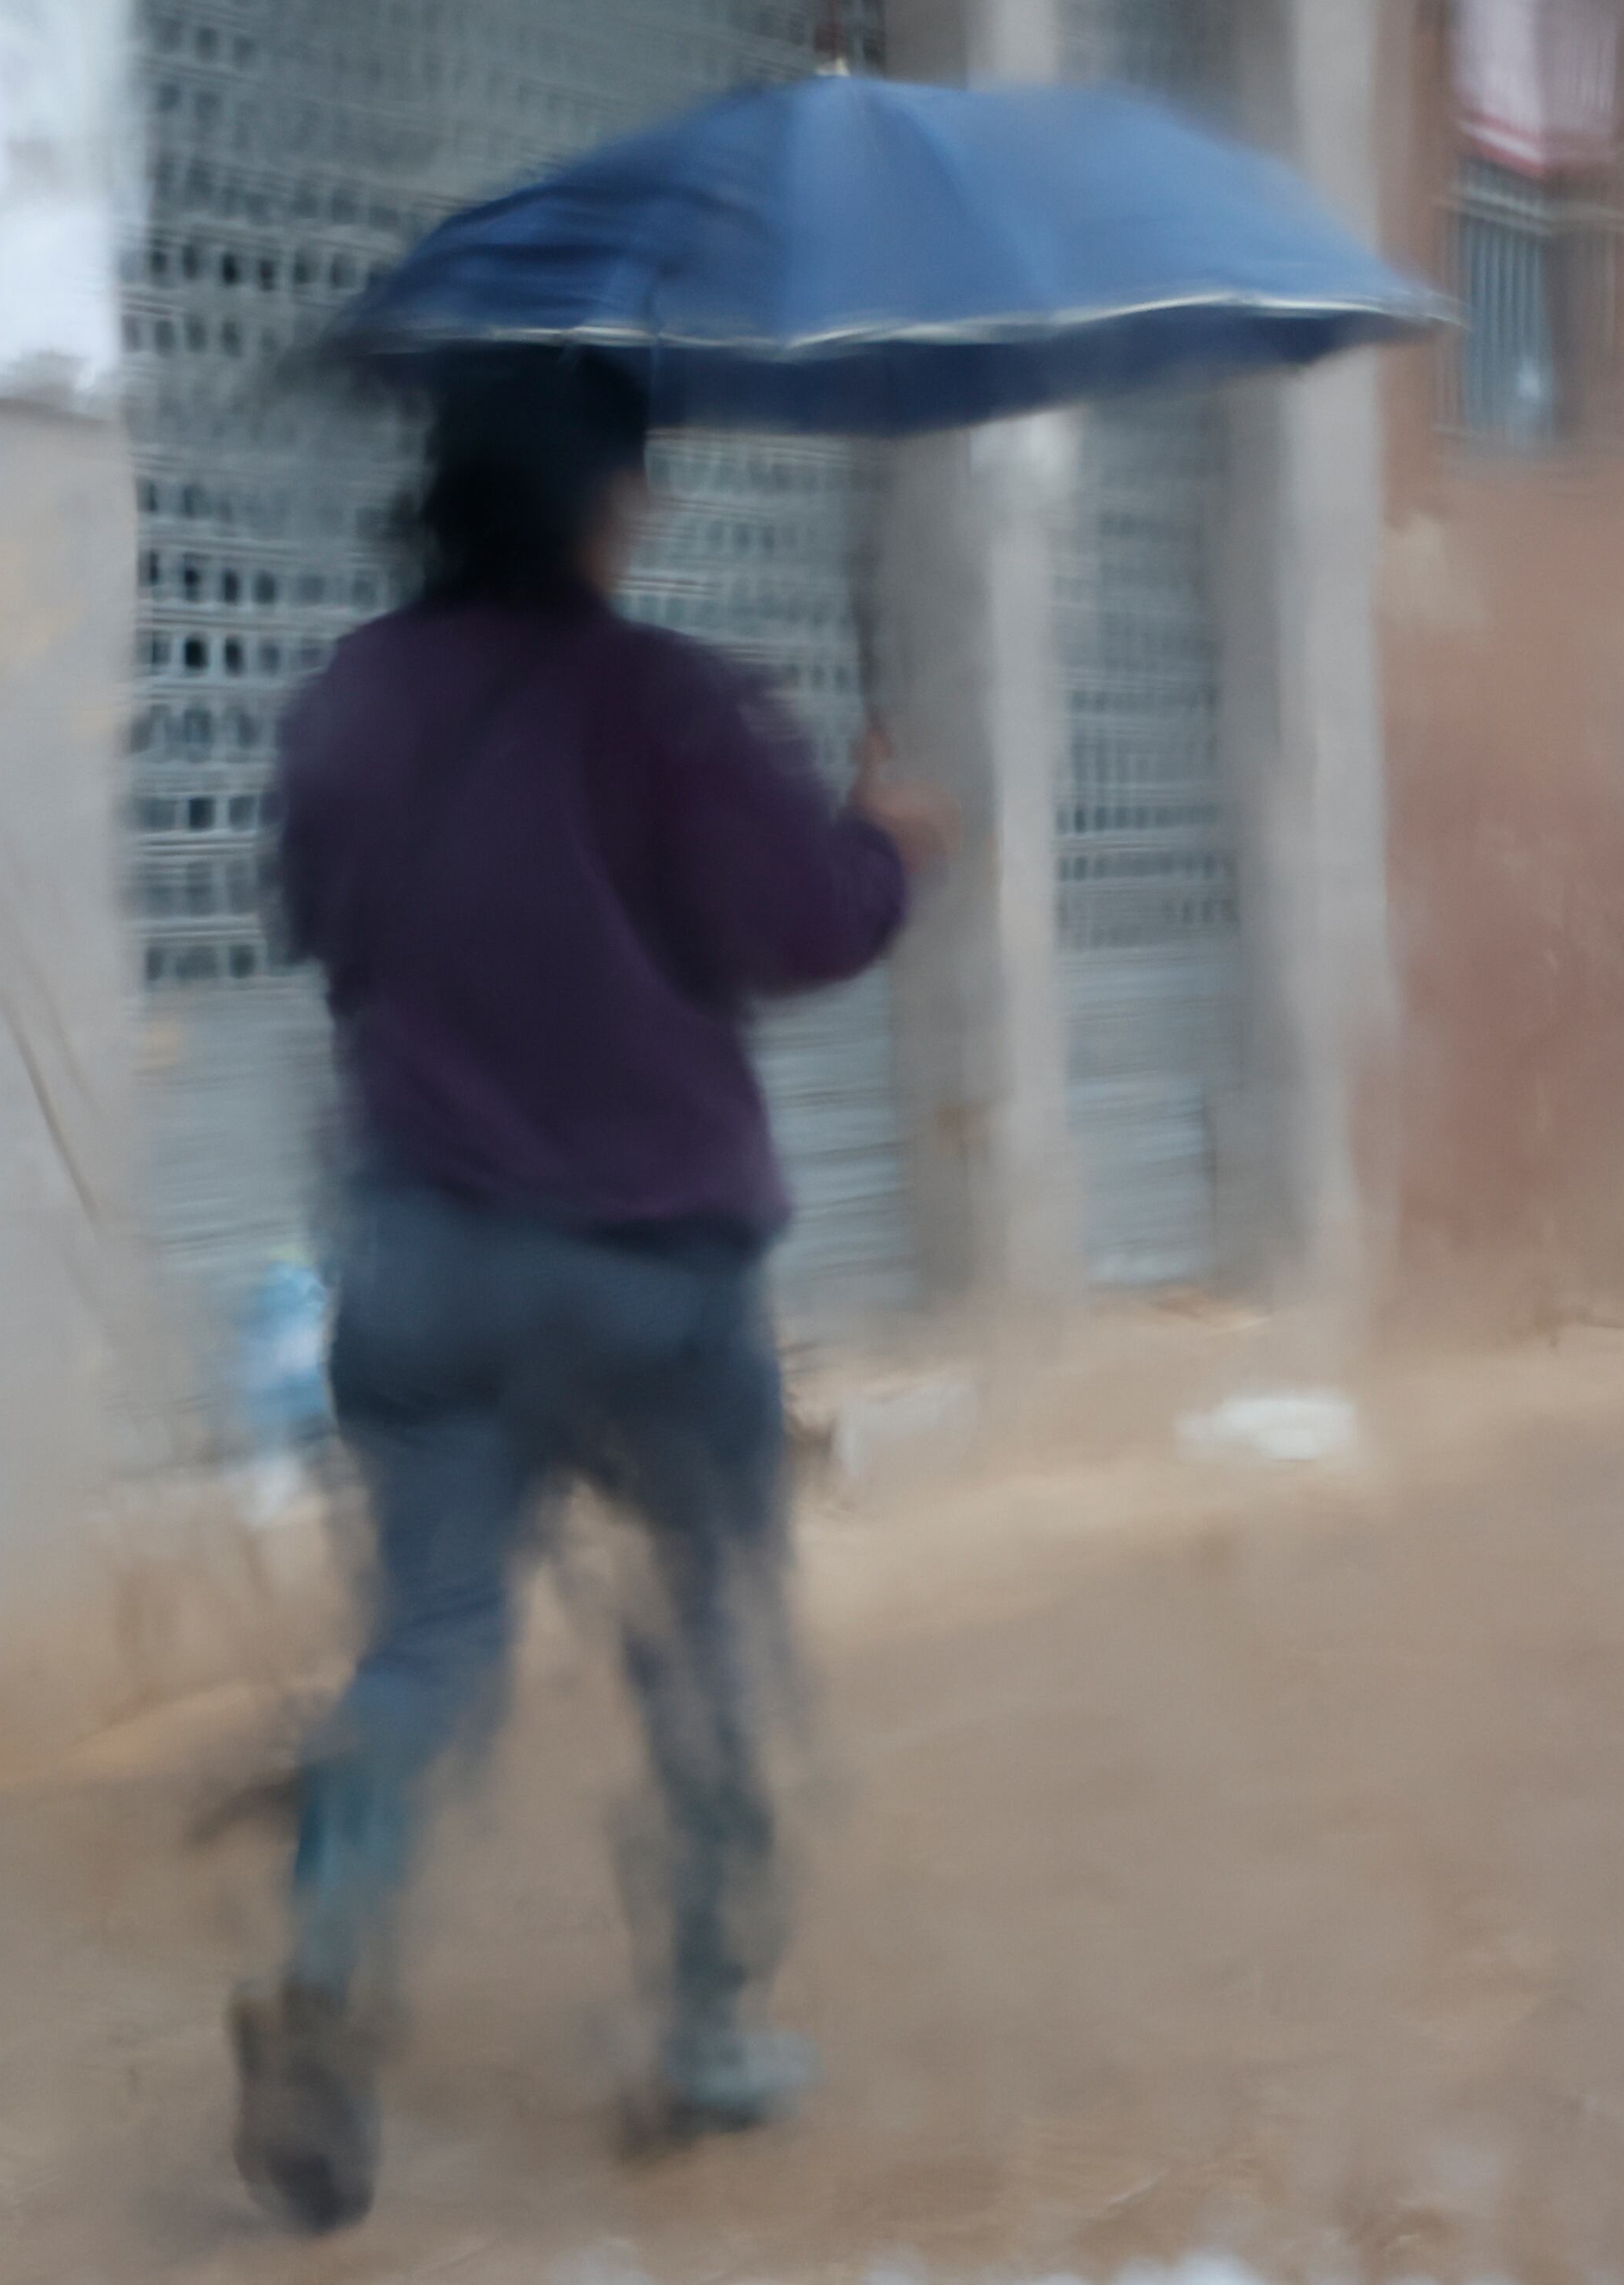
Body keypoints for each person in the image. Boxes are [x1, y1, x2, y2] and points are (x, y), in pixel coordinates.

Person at [234, 351, 954, 2231]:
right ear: (600, 502)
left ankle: (329, 1954)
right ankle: (708, 2029)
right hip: (655, 1276)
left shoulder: (348, 703)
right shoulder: (679, 707)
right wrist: (889, 840)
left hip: (427, 1260)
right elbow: (802, 927)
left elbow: (310, 920)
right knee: (711, 1628)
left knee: (429, 1644)